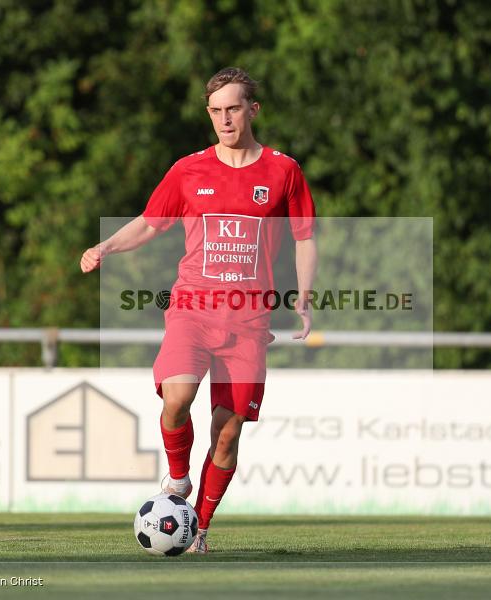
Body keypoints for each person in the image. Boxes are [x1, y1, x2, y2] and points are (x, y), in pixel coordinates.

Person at [80, 67, 317, 553]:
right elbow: (150, 224)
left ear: (253, 110)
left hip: (249, 321)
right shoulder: (188, 169)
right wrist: (105, 246)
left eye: (233, 108)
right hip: (192, 308)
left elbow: (304, 238)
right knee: (176, 397)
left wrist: (305, 297)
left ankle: (199, 530)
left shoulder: (283, 170)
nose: (224, 119)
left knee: (227, 437)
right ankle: (179, 478)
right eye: (215, 111)